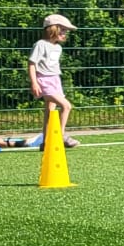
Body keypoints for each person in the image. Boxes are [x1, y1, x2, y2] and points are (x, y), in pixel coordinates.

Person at [28, 13, 79, 147]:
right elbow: (32, 64)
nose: (65, 33)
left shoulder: (58, 47)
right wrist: (34, 82)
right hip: (44, 80)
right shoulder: (40, 45)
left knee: (50, 111)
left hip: (55, 79)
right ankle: (60, 136)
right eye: (62, 30)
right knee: (66, 106)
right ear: (53, 29)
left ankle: (46, 142)